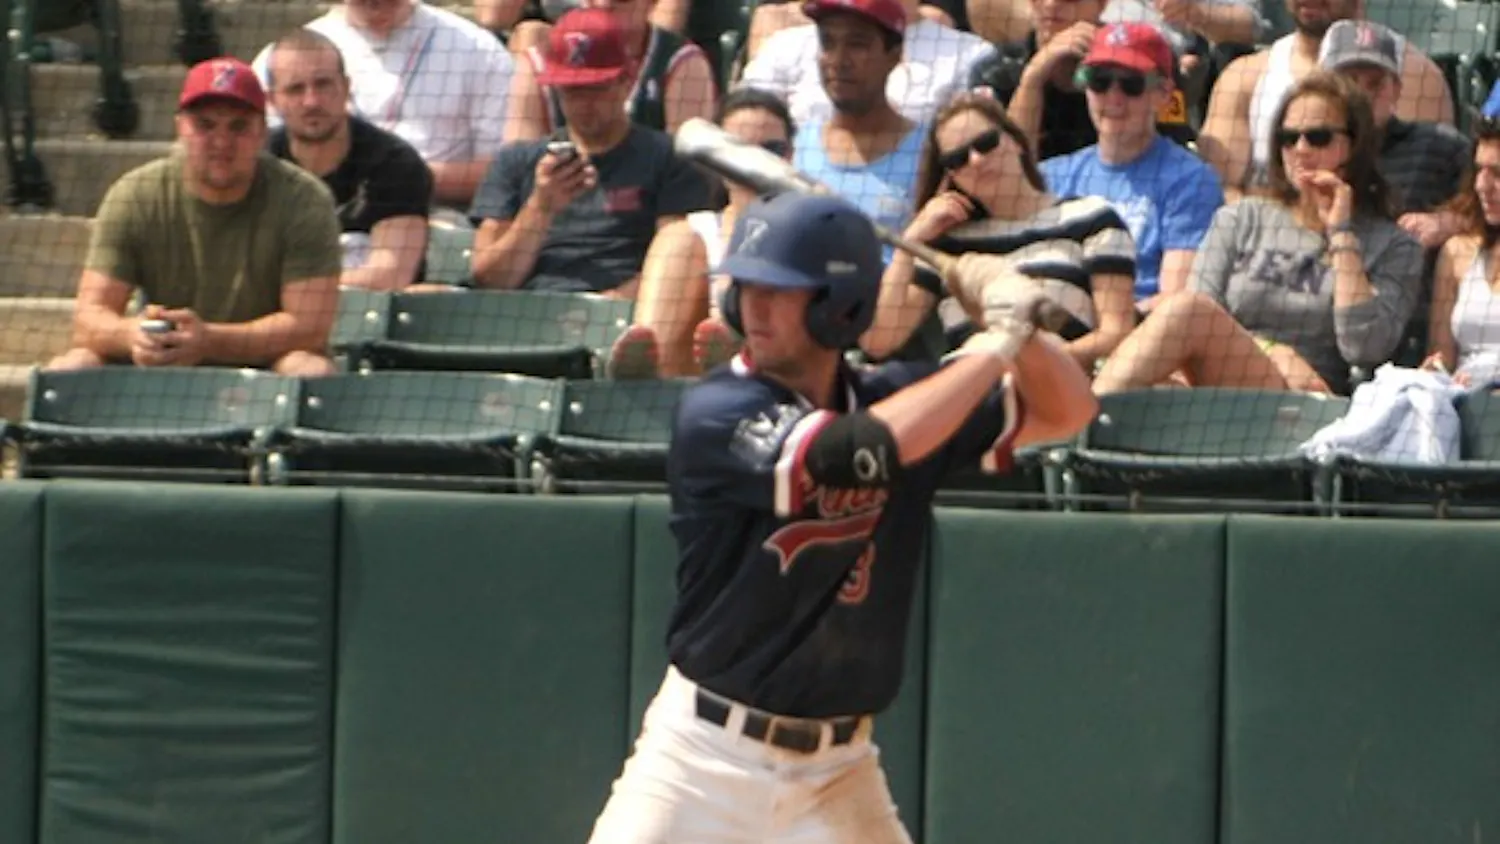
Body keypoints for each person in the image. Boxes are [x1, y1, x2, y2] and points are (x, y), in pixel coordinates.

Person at [585, 190, 1098, 844]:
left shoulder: (904, 397)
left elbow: (1069, 410)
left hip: (838, 772)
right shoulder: (719, 407)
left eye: (780, 289)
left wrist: (1021, 326)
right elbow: (857, 451)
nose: (755, 306)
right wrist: (993, 347)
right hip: (703, 759)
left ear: (839, 307)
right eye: (746, 287)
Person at [1092, 71, 1423, 396]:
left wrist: (1342, 233)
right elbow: (1198, 318)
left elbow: (1365, 347)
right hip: (1220, 381)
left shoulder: (1395, 245)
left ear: (1354, 145)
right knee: (1164, 361)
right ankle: (1085, 421)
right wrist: (1273, 351)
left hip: (1307, 399)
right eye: (1288, 138)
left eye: (1318, 137)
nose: (1301, 149)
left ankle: (1082, 421)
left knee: (1186, 311)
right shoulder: (1243, 218)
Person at [48, 57, 342, 377]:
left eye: (238, 126)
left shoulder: (304, 200)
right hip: (159, 363)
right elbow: (88, 318)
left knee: (311, 371)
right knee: (71, 368)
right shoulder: (136, 194)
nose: (221, 142)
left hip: (266, 367)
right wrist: (134, 334)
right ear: (180, 129)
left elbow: (309, 328)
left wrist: (209, 341)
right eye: (204, 125)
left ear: (262, 132)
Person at [864, 93, 1139, 372]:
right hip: (969, 399)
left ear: (1015, 141)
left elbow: (1116, 334)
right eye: (958, 158)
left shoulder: (1091, 218)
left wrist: (1033, 367)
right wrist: (909, 243)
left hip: (1059, 394)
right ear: (950, 177)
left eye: (986, 143)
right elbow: (879, 340)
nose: (976, 160)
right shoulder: (946, 243)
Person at [468, 8, 713, 295]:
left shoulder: (669, 158)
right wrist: (540, 207)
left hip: (621, 314)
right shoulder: (517, 161)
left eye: (597, 88)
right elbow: (490, 279)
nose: (585, 103)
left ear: (626, 81)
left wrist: (601, 312)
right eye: (572, 91)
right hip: (527, 311)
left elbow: (676, 271)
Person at [607, 88, 795, 378]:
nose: (757, 164)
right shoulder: (696, 232)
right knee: (678, 240)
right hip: (684, 377)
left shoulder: (811, 230)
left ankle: (734, 363)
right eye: (740, 151)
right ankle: (647, 372)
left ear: (790, 156)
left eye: (770, 150)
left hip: (779, 377)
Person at [1040, 23, 1224, 310]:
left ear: (1163, 94)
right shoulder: (1052, 175)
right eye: (1099, 80)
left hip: (1141, 332)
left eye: (1131, 84)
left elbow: (1175, 300)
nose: (1114, 97)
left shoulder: (1191, 179)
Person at [1197, 0, 1451, 200]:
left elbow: (1424, 188)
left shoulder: (1416, 75)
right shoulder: (1243, 78)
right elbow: (1218, 188)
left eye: (1372, 84)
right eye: (1290, 138)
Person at [264, 28, 433, 290]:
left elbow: (390, 276)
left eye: (323, 84)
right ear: (272, 100)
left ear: (345, 87)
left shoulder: (394, 164)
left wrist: (288, 287)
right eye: (295, 89)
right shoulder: (256, 163)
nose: (311, 101)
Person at [503, 0, 718, 142]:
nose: (604, 3)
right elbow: (516, 171)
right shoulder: (536, 63)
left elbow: (690, 177)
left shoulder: (683, 63)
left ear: (651, 3)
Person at [1423, 117, 1500, 388]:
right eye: (1479, 170)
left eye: (1498, 173)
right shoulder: (1456, 252)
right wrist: (1433, 373)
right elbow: (1441, 357)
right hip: (1463, 407)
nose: (1482, 185)